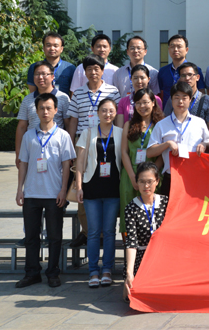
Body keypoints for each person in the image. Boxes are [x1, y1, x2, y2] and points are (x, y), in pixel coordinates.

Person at [15, 93, 75, 289]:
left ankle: (52, 273)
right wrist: (20, 189)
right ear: (37, 110)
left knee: (54, 237)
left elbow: (67, 166)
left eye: (49, 108)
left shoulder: (63, 136)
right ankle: (32, 273)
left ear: (56, 110)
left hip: (54, 194)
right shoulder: (28, 136)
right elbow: (23, 164)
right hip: (31, 193)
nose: (45, 111)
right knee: (31, 237)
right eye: (41, 108)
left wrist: (63, 190)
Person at [74, 98, 123, 288]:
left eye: (111, 111)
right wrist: (79, 187)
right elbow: (80, 164)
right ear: (97, 113)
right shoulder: (87, 133)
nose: (107, 114)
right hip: (91, 189)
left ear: (115, 113)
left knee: (109, 232)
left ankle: (107, 270)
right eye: (104, 110)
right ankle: (93, 271)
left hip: (113, 190)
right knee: (93, 232)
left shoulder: (120, 133)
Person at [119, 88, 164, 238]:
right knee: (129, 215)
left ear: (153, 103)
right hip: (130, 175)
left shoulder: (160, 125)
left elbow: (163, 154)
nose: (142, 106)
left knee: (152, 215)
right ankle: (129, 249)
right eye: (138, 103)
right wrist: (133, 177)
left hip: (152, 176)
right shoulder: (129, 124)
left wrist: (152, 175)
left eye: (145, 102)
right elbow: (124, 152)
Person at [123, 162, 168, 301]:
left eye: (150, 181)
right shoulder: (131, 208)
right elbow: (131, 242)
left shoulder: (166, 203)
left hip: (163, 257)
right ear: (136, 182)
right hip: (142, 259)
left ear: (157, 181)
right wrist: (129, 273)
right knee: (133, 297)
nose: (146, 186)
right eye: (142, 181)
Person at [15, 60, 71, 168]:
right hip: (32, 148)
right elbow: (21, 127)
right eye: (37, 74)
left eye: (44, 74)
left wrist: (69, 151)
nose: (40, 77)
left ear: (52, 76)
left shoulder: (63, 98)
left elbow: (68, 125)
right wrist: (18, 153)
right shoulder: (27, 99)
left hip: (56, 149)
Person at [65, 55, 122, 143]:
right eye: (89, 69)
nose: (93, 72)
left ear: (102, 71)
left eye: (96, 69)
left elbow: (117, 117)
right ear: (85, 72)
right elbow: (73, 121)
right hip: (82, 139)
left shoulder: (113, 91)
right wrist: (71, 143)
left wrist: (118, 140)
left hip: (106, 139)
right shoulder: (77, 93)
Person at [165, 62, 209, 138]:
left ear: (197, 77)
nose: (187, 78)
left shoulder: (207, 100)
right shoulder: (173, 99)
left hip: (199, 141)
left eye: (190, 75)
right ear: (180, 78)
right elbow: (166, 119)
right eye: (183, 75)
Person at [157, 34, 206, 107]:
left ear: (186, 50)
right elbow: (161, 94)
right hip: (168, 111)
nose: (175, 49)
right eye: (172, 46)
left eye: (179, 46)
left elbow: (201, 92)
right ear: (169, 49)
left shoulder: (195, 70)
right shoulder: (162, 71)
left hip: (190, 110)